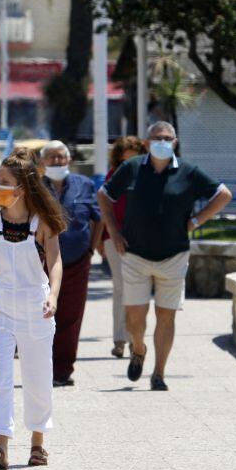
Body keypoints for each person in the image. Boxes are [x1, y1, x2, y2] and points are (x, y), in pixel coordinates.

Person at [98, 121, 232, 389]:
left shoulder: (189, 171)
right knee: (134, 318)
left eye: (168, 138)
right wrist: (113, 230)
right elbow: (104, 195)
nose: (163, 142)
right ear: (147, 143)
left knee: (166, 316)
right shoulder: (132, 168)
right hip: (135, 254)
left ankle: (159, 373)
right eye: (157, 138)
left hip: (174, 255)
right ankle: (138, 348)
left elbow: (223, 194)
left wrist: (196, 221)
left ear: (175, 142)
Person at [0, 150, 65, 469]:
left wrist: (53, 296)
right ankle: (1, 446)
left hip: (35, 307)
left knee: (38, 378)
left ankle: (38, 443)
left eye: (5, 181)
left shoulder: (42, 222)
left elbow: (55, 262)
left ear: (22, 188)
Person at [40, 140, 101, 387]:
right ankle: (42, 368)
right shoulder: (35, 188)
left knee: (71, 317)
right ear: (43, 162)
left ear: (69, 160)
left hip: (77, 262)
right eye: (51, 157)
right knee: (42, 315)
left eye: (60, 156)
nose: (56, 161)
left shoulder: (84, 185)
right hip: (41, 265)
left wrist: (91, 249)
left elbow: (98, 218)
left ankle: (63, 371)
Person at [99, 136, 148, 359]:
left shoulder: (149, 175)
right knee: (121, 288)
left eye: (134, 158)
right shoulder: (113, 176)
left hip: (142, 238)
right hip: (114, 237)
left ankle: (134, 338)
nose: (130, 163)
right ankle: (120, 339)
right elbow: (104, 209)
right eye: (125, 159)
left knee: (137, 289)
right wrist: (101, 239)